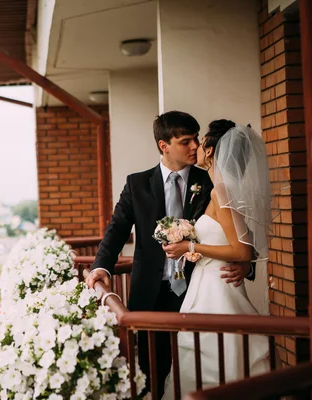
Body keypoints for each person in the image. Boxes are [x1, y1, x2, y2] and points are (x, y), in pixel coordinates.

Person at [85, 111, 252, 397]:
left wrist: (245, 264)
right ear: (164, 145)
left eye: (196, 139)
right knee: (151, 370)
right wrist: (102, 267)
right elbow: (116, 230)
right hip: (150, 293)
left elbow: (236, 232)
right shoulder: (137, 184)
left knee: (199, 366)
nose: (194, 146)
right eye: (185, 141)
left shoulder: (211, 180)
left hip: (198, 291)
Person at [161, 120, 271, 399]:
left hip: (218, 287)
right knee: (210, 359)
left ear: (210, 152)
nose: (196, 146)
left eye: (201, 142)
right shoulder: (217, 187)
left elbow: (242, 251)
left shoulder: (221, 190)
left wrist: (190, 245)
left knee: (219, 359)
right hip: (208, 283)